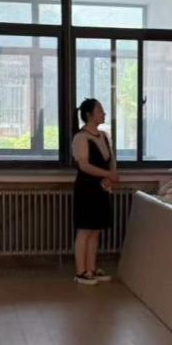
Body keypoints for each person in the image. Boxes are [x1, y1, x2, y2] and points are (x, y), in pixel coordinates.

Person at [72, 98, 117, 285]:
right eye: (100, 110)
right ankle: (81, 272)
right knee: (85, 230)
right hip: (86, 188)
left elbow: (111, 159)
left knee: (96, 230)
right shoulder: (80, 137)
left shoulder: (104, 135)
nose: (103, 113)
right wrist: (107, 174)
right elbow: (84, 165)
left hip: (101, 187)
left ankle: (91, 268)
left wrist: (111, 176)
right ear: (89, 115)